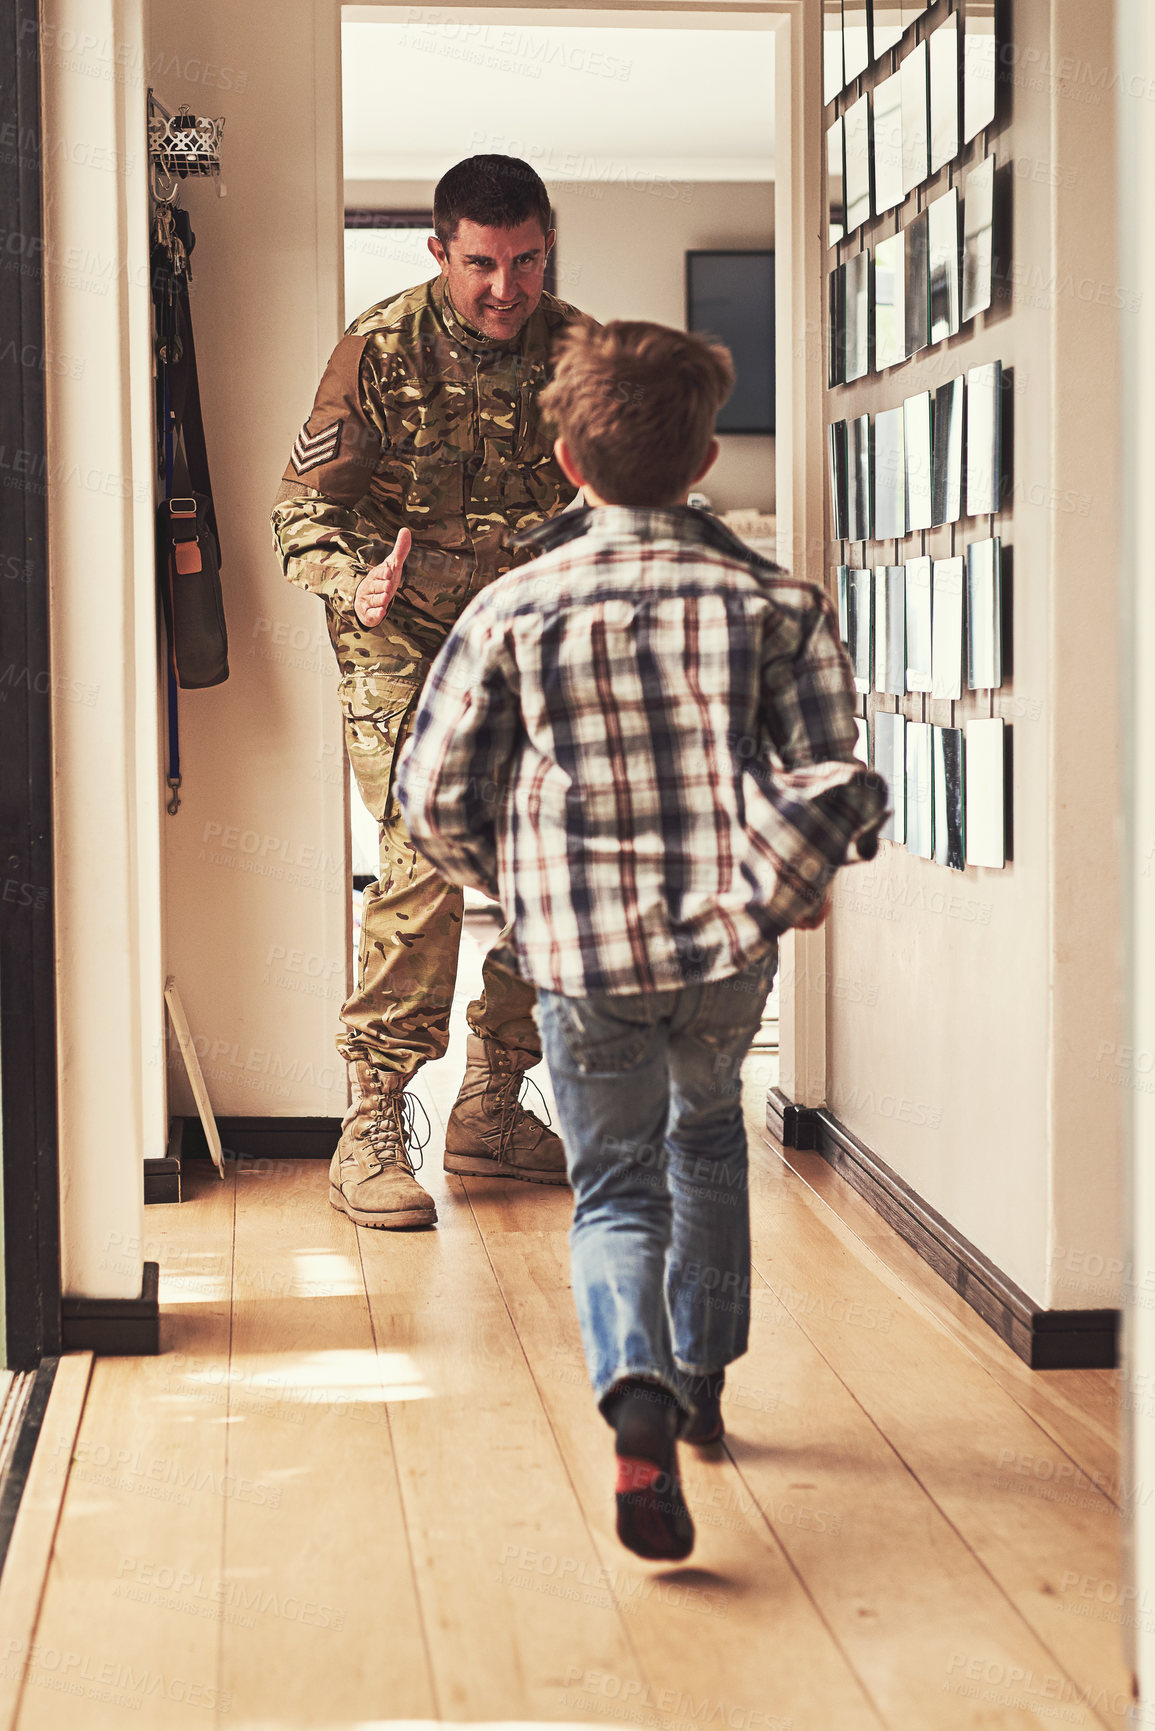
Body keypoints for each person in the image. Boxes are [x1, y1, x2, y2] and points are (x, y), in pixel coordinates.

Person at [394, 319, 887, 1560]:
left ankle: (635, 1395)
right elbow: (837, 770)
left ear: (566, 457)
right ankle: (704, 1381)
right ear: (707, 453)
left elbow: (432, 791)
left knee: (614, 1188)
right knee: (709, 1137)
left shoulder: (515, 606)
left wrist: (511, 902)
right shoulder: (775, 600)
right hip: (725, 951)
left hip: (578, 956)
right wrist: (786, 875)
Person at [271, 156, 593, 1232]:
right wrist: (349, 578)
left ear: (549, 243)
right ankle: (371, 1119)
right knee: (427, 842)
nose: (507, 288)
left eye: (527, 262)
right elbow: (303, 514)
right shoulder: (380, 349)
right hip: (399, 623)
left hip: (530, 634)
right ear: (440, 252)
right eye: (482, 265)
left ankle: (496, 1103)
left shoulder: (582, 352)